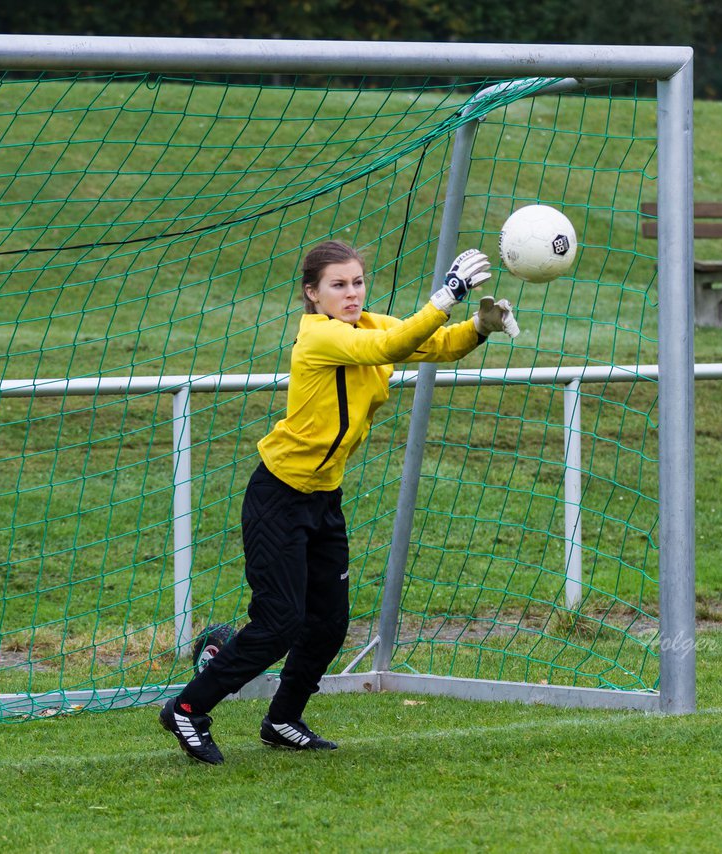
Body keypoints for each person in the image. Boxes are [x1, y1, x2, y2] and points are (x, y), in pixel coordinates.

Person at [160, 240, 518, 765]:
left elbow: (431, 344)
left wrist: (479, 327)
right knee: (279, 623)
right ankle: (188, 709)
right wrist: (448, 294)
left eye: (357, 282)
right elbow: (388, 349)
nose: (351, 293)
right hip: (278, 496)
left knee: (329, 622)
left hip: (324, 500)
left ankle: (283, 718)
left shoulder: (370, 324)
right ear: (313, 294)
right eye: (338, 285)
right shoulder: (320, 337)